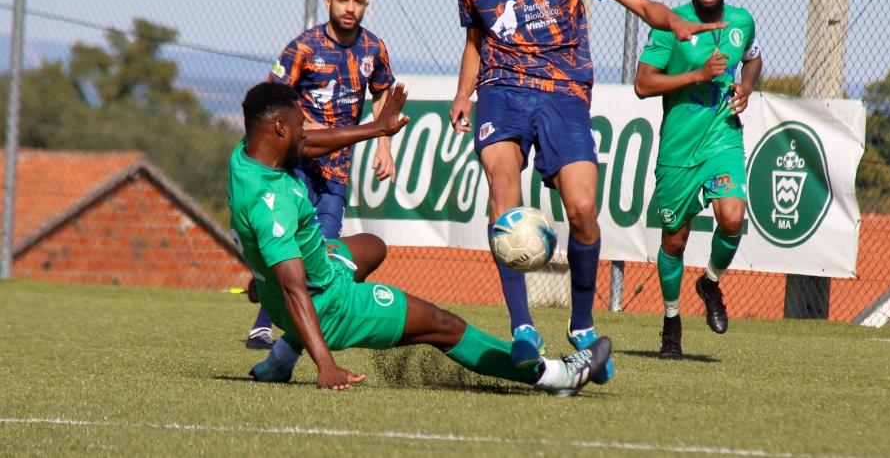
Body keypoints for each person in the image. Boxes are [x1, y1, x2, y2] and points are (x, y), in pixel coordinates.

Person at [448, 0, 725, 380]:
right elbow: (475, 41)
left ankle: (580, 325)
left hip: (564, 93)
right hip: (501, 90)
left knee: (581, 209)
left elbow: (638, 3)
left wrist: (673, 23)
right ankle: (523, 329)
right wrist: (464, 94)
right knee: (502, 193)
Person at [232, 81, 611, 396]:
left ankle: (281, 358)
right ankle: (555, 375)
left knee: (371, 247)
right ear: (280, 129)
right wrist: (326, 365)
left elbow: (306, 148)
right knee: (443, 325)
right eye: (300, 125)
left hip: (302, 279)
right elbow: (296, 288)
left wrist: (377, 129)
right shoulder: (273, 203)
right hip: (327, 306)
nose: (305, 132)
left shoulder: (246, 158)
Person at [244, 0, 396, 350]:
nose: (350, 8)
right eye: (343, 0)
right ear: (328, 1)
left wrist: (384, 146)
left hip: (336, 174)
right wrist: (302, 126)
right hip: (295, 169)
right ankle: (264, 324)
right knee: (287, 248)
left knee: (323, 253)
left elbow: (381, 95)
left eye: (358, 1)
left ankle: (292, 335)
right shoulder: (304, 48)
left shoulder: (373, 49)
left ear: (366, 6)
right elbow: (272, 98)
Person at [634, 0, 763, 359]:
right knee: (674, 239)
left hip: (722, 138)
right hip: (678, 148)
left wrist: (746, 86)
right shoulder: (671, 25)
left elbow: (753, 58)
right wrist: (698, 75)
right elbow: (643, 84)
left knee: (733, 215)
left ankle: (709, 282)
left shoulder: (742, 21)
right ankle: (671, 324)